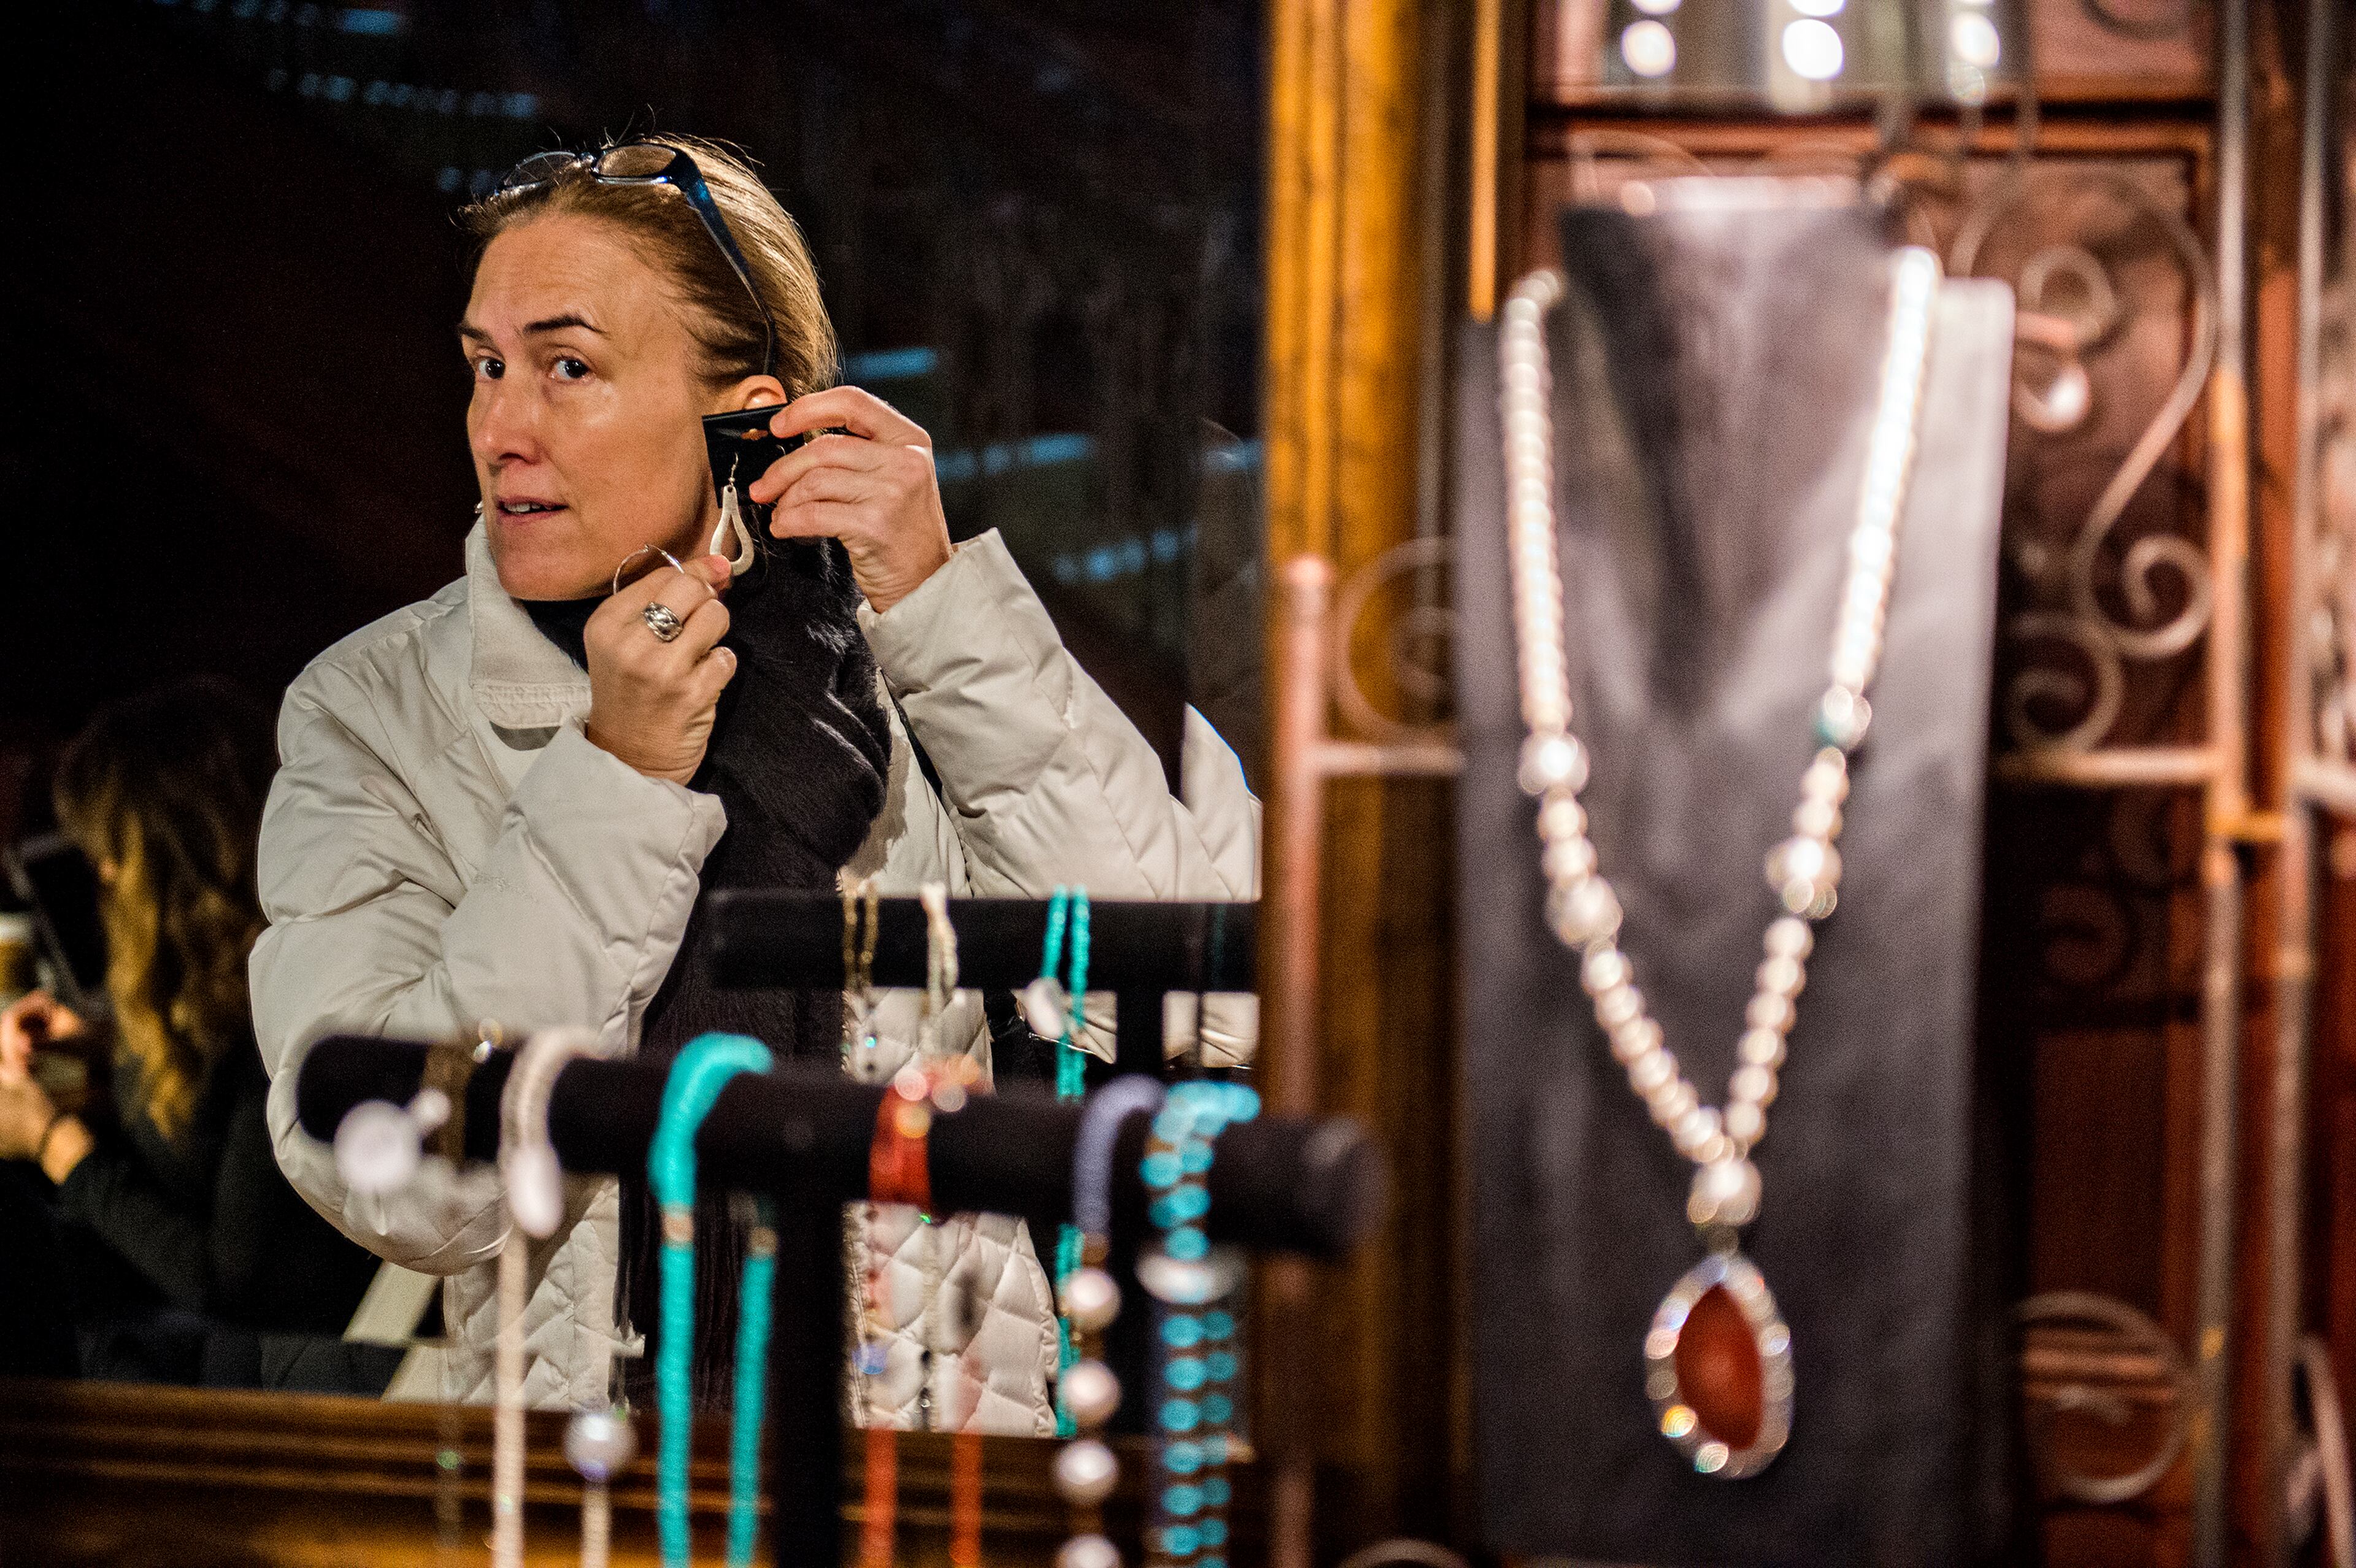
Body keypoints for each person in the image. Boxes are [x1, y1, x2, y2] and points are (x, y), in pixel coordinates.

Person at [248, 135, 1258, 1426]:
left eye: (568, 368)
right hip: (595, 1503)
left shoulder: (938, 652)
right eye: (486, 368)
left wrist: (946, 616)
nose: (501, 428)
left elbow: (1215, 1022)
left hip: (929, 1492)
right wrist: (616, 777)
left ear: (751, 415)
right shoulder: (380, 708)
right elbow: (397, 1184)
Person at [0, 678, 385, 1386]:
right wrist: (111, 1049)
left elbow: (226, 1282)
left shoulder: (286, 1020)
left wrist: (53, 1142)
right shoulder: (211, 998)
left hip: (282, 1372)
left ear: (172, 851)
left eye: (111, 852)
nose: (104, 875)